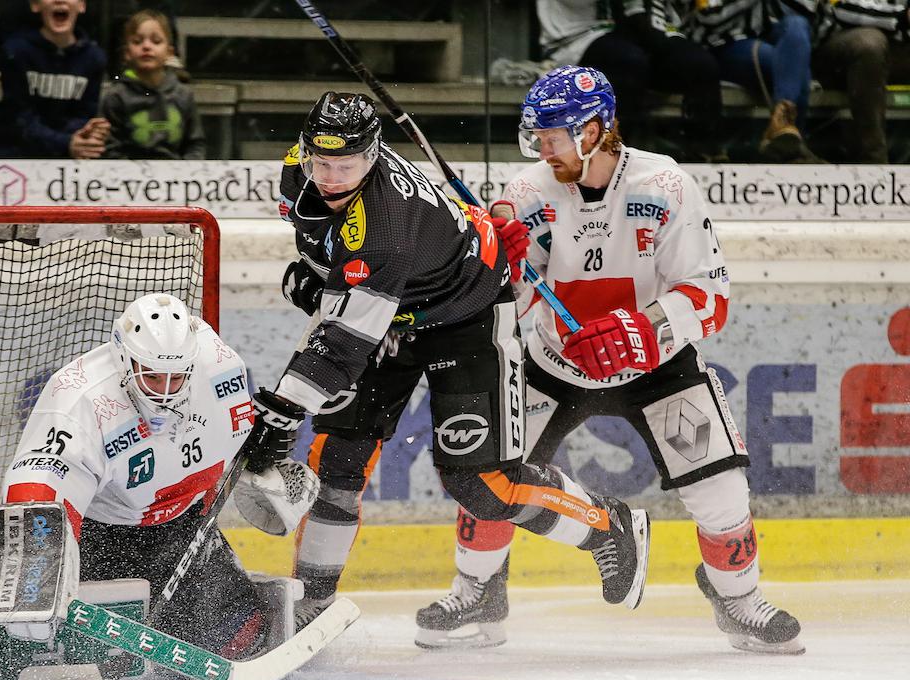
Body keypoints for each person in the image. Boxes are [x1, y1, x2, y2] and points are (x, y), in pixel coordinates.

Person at [419, 65, 804, 655]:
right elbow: (510, 300)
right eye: (538, 137)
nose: (541, 149)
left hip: (657, 365)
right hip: (554, 361)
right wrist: (499, 265)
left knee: (721, 487)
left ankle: (739, 599)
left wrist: (639, 330)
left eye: (553, 136)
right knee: (494, 478)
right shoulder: (525, 195)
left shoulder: (665, 185)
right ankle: (479, 591)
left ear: (596, 130)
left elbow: (711, 295)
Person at [246, 91, 652, 633]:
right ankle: (313, 604)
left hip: (467, 315)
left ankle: (607, 524)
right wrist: (320, 278)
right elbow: (329, 251)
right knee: (337, 462)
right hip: (390, 310)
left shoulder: (386, 223)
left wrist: (282, 410)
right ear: (305, 149)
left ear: (372, 157)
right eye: (322, 162)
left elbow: (344, 340)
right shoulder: (301, 170)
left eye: (345, 165)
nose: (331, 176)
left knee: (482, 485)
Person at [0, 293, 316, 661]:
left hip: (185, 525)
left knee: (239, 639)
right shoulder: (80, 400)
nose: (167, 390)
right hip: (102, 534)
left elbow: (229, 444)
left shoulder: (219, 367)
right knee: (69, 650)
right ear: (125, 360)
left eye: (177, 377)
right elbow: (38, 488)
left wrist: (263, 466)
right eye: (154, 376)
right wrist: (36, 578)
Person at [537, 0, 725, 161]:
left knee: (700, 65)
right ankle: (616, 154)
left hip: (641, 29)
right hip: (580, 35)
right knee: (629, 62)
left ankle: (699, 156)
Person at [683, 0, 822, 162]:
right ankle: (792, 148)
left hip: (764, 37)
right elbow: (710, 17)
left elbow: (807, 15)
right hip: (718, 44)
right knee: (793, 65)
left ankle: (784, 128)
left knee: (797, 26)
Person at [783, 0, 910, 163]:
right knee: (870, 44)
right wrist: (902, 17)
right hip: (840, 43)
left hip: (897, 43)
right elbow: (844, 10)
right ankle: (874, 162)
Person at [0, 0, 109, 158]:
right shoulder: (16, 52)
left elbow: (85, 112)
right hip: (14, 154)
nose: (60, 0)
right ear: (35, 5)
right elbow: (17, 116)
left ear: (82, 5)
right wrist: (65, 142)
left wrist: (83, 135)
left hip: (70, 155)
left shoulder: (94, 58)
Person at [99, 9, 206, 160]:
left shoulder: (184, 95)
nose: (146, 46)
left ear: (169, 53)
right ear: (126, 53)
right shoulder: (115, 97)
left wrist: (187, 172)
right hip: (129, 179)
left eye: (156, 41)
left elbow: (195, 144)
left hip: (176, 178)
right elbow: (110, 148)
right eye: (137, 41)